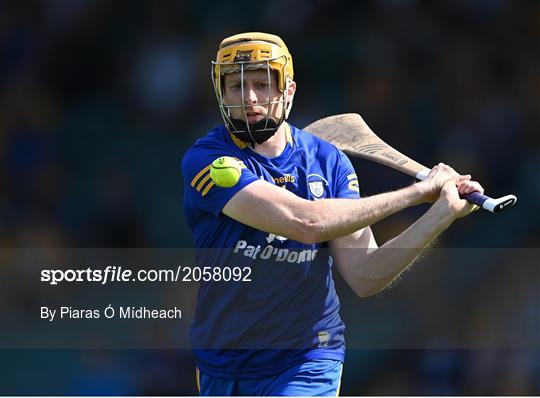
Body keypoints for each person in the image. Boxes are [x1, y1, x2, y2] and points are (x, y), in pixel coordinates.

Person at [181, 32, 483, 396]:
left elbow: (366, 274)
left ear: (288, 92)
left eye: (261, 84)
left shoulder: (328, 162)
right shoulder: (209, 161)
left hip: (308, 360)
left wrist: (441, 213)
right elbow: (306, 223)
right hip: (222, 366)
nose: (249, 97)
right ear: (220, 94)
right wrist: (418, 193)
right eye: (236, 87)